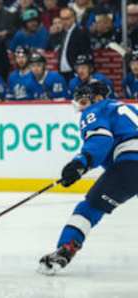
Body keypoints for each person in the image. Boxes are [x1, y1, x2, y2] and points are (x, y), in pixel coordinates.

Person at [38, 81, 138, 275]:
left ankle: (64, 250)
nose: (82, 107)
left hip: (131, 164)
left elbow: (101, 140)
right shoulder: (127, 108)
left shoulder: (95, 110)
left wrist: (81, 162)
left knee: (89, 208)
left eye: (84, 101)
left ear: (98, 98)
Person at [58, 7, 92, 82]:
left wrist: (80, 70)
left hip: (75, 72)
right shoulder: (62, 33)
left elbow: (85, 52)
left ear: (73, 18)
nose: (64, 21)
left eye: (66, 18)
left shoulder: (81, 32)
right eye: (62, 19)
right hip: (62, 73)